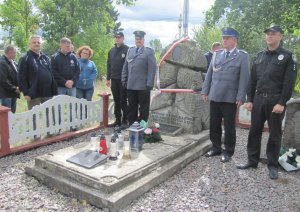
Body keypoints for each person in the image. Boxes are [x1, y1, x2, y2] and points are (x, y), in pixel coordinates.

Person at [237, 25, 297, 180]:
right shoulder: (260, 56)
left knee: (275, 134)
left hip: (275, 101)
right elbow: (252, 80)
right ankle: (252, 161)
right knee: (254, 131)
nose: (269, 36)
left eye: (273, 34)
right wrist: (249, 99)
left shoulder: (288, 56)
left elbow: (289, 82)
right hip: (258, 100)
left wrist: (282, 102)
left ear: (280, 36)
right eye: (268, 34)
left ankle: (272, 166)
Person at [201, 27, 250, 163]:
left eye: (227, 38)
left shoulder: (242, 56)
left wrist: (241, 97)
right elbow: (209, 74)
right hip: (215, 95)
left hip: (230, 97)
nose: (224, 40)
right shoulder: (217, 54)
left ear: (235, 40)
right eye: (223, 38)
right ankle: (216, 147)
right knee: (214, 124)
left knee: (229, 127)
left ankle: (228, 151)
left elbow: (244, 78)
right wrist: (205, 91)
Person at [122, 30, 156, 125]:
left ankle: (142, 126)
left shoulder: (148, 52)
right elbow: (125, 66)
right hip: (131, 84)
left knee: (143, 108)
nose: (138, 41)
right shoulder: (130, 50)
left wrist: (149, 83)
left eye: (140, 39)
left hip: (143, 85)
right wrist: (123, 79)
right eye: (137, 39)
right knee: (132, 106)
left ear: (143, 40)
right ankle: (132, 125)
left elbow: (152, 69)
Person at [18, 35, 57, 110]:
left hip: (48, 92)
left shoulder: (45, 58)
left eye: (38, 42)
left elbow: (51, 73)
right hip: (33, 93)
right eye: (34, 42)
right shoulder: (25, 59)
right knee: (34, 117)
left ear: (41, 44)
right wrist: (26, 93)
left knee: (50, 115)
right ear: (29, 44)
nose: (36, 44)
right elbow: (21, 77)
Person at [106, 32, 129, 127]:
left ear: (123, 38)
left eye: (119, 37)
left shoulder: (127, 49)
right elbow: (109, 65)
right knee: (116, 100)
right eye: (116, 37)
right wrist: (108, 78)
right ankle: (117, 120)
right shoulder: (111, 51)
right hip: (114, 79)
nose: (117, 39)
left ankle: (125, 121)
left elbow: (129, 65)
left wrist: (127, 78)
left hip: (123, 80)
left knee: (123, 100)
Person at [0, 45, 20, 113]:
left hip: (13, 92)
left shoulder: (12, 61)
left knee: (12, 113)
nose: (16, 54)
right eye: (15, 52)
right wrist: (14, 88)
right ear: (10, 52)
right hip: (7, 93)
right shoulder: (2, 62)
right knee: (7, 114)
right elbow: (3, 80)